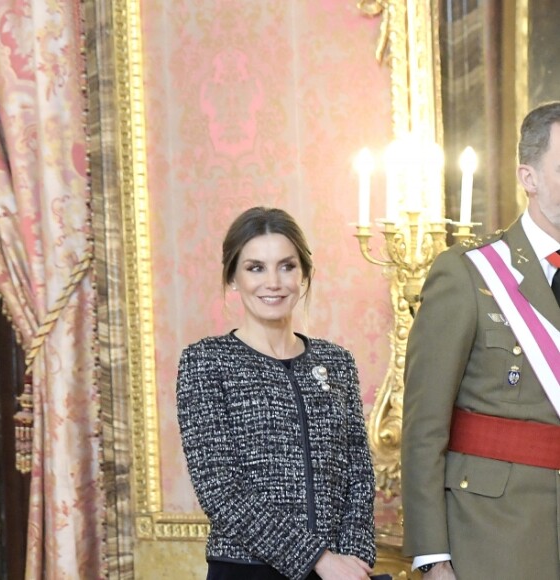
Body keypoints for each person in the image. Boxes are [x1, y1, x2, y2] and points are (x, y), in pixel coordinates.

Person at [401, 100, 560, 579]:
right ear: (528, 177)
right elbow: (424, 426)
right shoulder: (469, 272)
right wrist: (432, 556)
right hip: (496, 531)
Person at [176, 207, 377, 580]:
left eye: (287, 266)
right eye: (256, 268)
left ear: (304, 275)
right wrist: (320, 559)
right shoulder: (206, 362)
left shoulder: (337, 362)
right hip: (247, 570)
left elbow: (359, 474)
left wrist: (353, 559)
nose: (274, 282)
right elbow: (221, 489)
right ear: (233, 278)